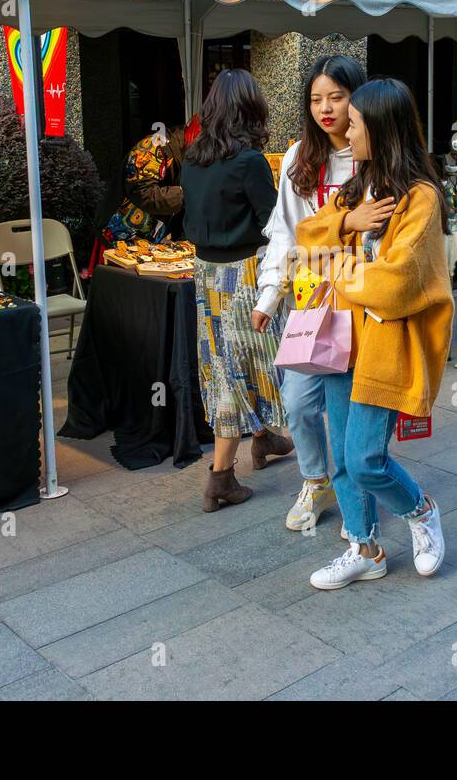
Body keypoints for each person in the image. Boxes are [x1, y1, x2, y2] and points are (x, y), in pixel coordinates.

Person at [295, 78, 452, 590]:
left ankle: (421, 509)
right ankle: (365, 548)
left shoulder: (421, 200)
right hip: (343, 341)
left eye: (355, 123)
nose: (345, 129)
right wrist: (347, 222)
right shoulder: (358, 190)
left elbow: (396, 283)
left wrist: (338, 266)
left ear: (380, 130)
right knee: (343, 457)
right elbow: (306, 239)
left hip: (386, 347)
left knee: (365, 459)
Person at [253, 54, 366, 533]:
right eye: (317, 98)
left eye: (336, 97)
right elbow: (285, 231)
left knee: (350, 407)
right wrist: (268, 295)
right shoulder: (300, 156)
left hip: (360, 299)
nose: (326, 108)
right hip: (310, 299)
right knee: (298, 401)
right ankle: (315, 480)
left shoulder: (371, 154)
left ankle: (355, 496)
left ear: (355, 100)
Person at [180, 69, 293, 512]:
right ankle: (220, 478)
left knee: (227, 361)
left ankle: (264, 439)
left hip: (205, 273)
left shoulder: (191, 157)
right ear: (251, 108)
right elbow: (274, 225)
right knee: (248, 363)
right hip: (245, 273)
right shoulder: (250, 162)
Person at [91, 117, 198, 273]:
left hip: (148, 243)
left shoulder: (185, 155)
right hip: (118, 235)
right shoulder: (154, 145)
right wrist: (189, 193)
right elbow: (143, 193)